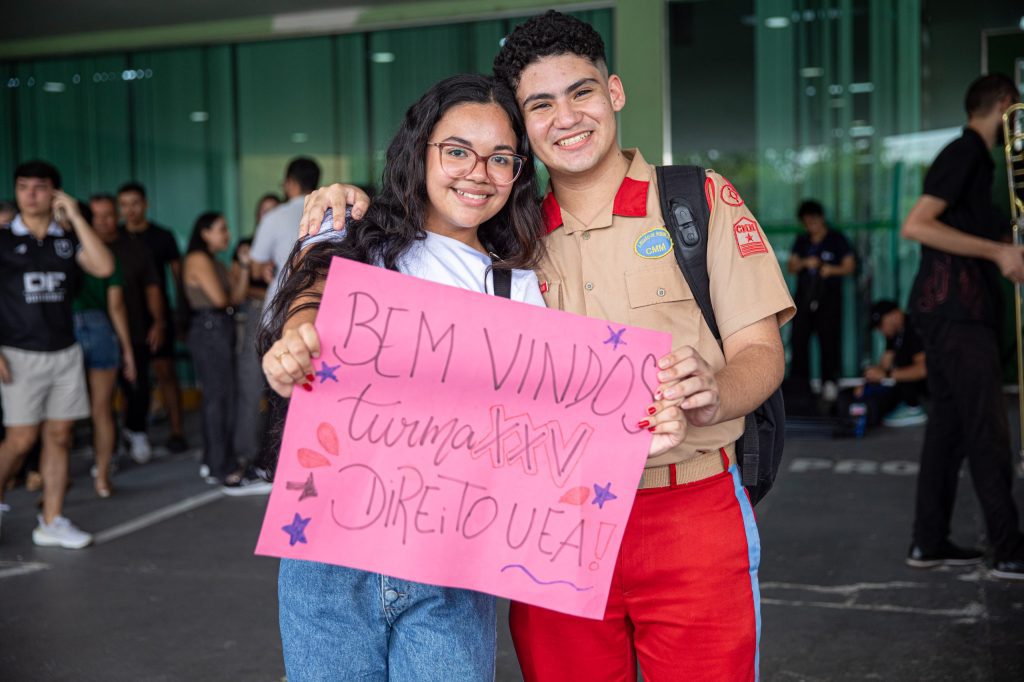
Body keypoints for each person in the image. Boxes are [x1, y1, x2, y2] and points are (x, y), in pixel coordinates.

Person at [300, 11, 795, 680]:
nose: (567, 117)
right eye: (541, 105)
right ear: (523, 128)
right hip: (551, 523)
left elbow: (762, 354)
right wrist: (344, 201)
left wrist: (714, 395)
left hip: (688, 506)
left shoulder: (695, 202)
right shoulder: (504, 240)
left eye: (582, 92)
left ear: (614, 92)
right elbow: (405, 243)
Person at [260, 73, 691, 681]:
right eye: (457, 150)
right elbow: (314, 291)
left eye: (500, 159)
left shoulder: (518, 287)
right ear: (421, 152)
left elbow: (549, 423)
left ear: (518, 173)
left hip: (453, 566)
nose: (477, 172)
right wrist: (298, 337)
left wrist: (637, 430)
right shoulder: (353, 235)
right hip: (331, 555)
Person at [901, 73, 1024, 580]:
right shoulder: (967, 151)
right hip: (956, 312)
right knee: (986, 428)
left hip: (950, 311)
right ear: (1002, 105)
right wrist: (998, 251)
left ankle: (928, 542)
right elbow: (917, 224)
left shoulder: (976, 160)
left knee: (949, 430)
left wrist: (1000, 240)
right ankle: (1009, 549)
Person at [0, 160, 114, 548]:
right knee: (20, 440)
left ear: (54, 193)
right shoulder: (2, 239)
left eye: (40, 186)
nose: (30, 194)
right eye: (23, 186)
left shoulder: (65, 239)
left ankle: (51, 520)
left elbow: (103, 265)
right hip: (18, 353)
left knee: (61, 435)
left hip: (64, 351)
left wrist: (77, 218)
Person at [90, 193, 165, 466]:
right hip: (93, 333)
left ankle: (136, 431)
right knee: (100, 397)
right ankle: (104, 450)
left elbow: (152, 288)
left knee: (138, 385)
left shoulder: (135, 248)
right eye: (97, 216)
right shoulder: (81, 248)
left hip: (134, 329)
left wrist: (158, 321)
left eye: (109, 215)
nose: (104, 222)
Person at [181, 212, 251, 489]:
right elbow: (223, 299)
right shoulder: (198, 260)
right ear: (204, 233)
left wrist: (243, 266)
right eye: (222, 229)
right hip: (210, 329)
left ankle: (216, 462)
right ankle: (220, 466)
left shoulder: (215, 262)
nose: (228, 235)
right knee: (218, 399)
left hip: (220, 328)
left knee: (224, 396)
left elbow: (238, 296)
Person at [118, 182, 188, 455]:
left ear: (145, 205)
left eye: (134, 204)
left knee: (165, 372)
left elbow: (178, 277)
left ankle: (177, 430)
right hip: (126, 318)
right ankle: (132, 431)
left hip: (159, 316)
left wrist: (179, 317)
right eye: (124, 205)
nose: (130, 210)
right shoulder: (117, 237)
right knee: (129, 378)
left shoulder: (162, 236)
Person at [72, 202, 137, 497]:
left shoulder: (55, 252)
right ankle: (102, 478)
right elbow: (116, 307)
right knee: (102, 411)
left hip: (61, 331)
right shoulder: (104, 257)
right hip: (100, 329)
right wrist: (127, 351)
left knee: (57, 416)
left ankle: (45, 481)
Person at [787, 199, 856, 403]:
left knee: (829, 340)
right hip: (804, 296)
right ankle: (801, 385)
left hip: (829, 298)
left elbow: (849, 267)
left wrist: (830, 269)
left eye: (814, 221)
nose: (811, 225)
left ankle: (829, 383)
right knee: (799, 340)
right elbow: (791, 266)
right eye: (807, 222)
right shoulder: (802, 240)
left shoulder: (837, 239)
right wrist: (805, 263)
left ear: (822, 218)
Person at [834, 300, 927, 435]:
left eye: (880, 325)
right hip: (912, 387)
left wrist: (886, 374)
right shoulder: (896, 334)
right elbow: (884, 365)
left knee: (899, 375)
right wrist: (867, 382)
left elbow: (923, 369)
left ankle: (915, 408)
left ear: (894, 315)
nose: (880, 330)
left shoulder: (914, 327)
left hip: (933, 387)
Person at [250, 158, 320, 319]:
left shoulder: (274, 217)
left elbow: (255, 269)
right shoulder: (331, 215)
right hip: (319, 301)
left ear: (291, 182)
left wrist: (267, 266)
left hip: (282, 302)